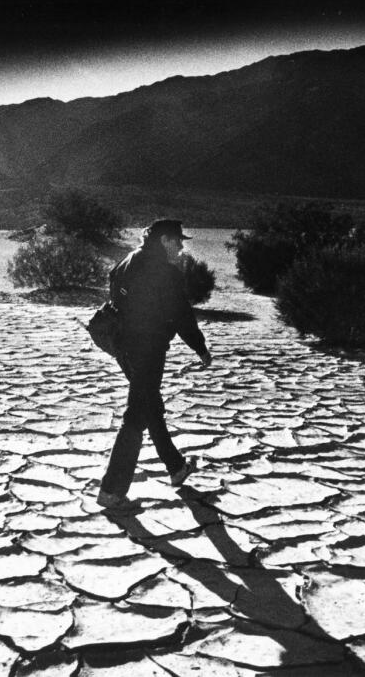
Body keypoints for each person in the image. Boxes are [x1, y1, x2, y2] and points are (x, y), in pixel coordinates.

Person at [97, 218, 212, 513]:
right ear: (164, 240)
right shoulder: (164, 271)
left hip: (124, 347)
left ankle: (176, 467)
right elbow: (181, 315)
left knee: (149, 405)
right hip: (148, 349)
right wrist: (200, 348)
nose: (181, 246)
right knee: (136, 414)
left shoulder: (127, 261)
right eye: (178, 240)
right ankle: (111, 491)